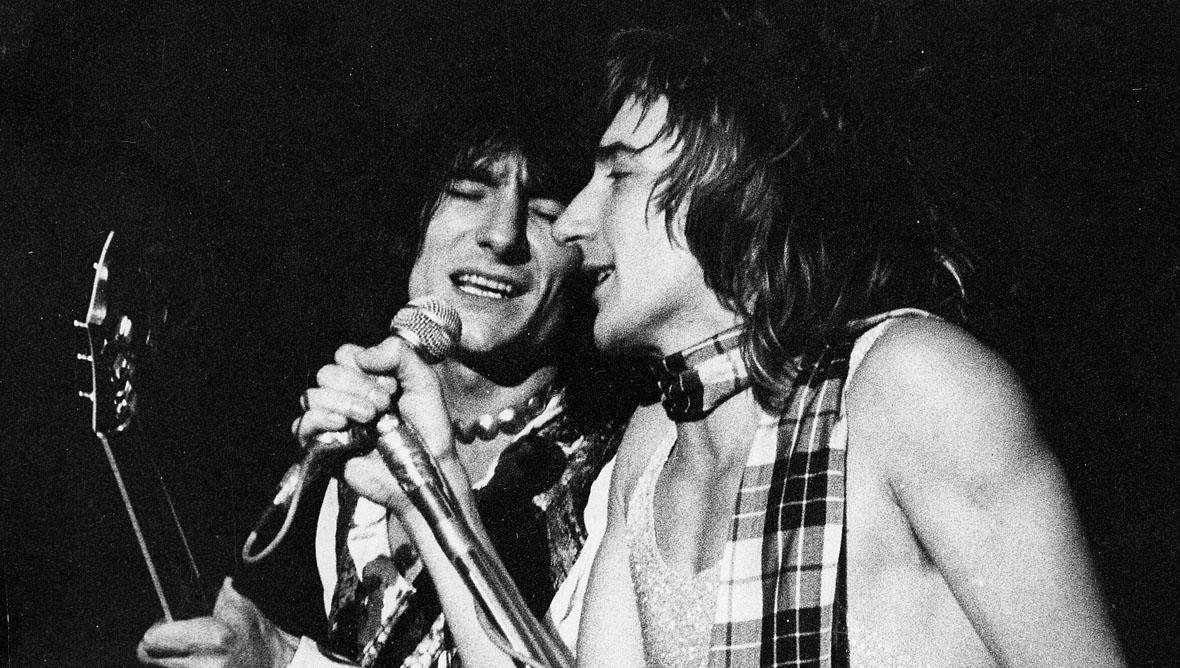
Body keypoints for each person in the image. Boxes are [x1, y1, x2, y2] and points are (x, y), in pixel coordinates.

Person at [542, 14, 1128, 668]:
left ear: (734, 175)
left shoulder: (910, 385)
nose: (570, 223)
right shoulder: (653, 443)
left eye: (618, 175)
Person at [136, 96, 631, 667]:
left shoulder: (617, 469)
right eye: (468, 192)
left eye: (544, 208)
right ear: (411, 225)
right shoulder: (349, 465)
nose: (502, 235)